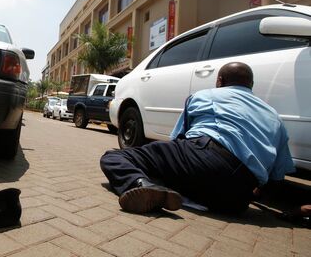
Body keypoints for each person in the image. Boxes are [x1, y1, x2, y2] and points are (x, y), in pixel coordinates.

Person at [100, 62, 296, 214]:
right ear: (251, 85)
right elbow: (277, 179)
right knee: (183, 178)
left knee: (115, 157)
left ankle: (141, 184)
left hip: (205, 158)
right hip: (237, 199)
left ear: (219, 81)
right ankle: (170, 191)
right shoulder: (275, 117)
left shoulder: (206, 95)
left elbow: (179, 139)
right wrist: (252, 193)